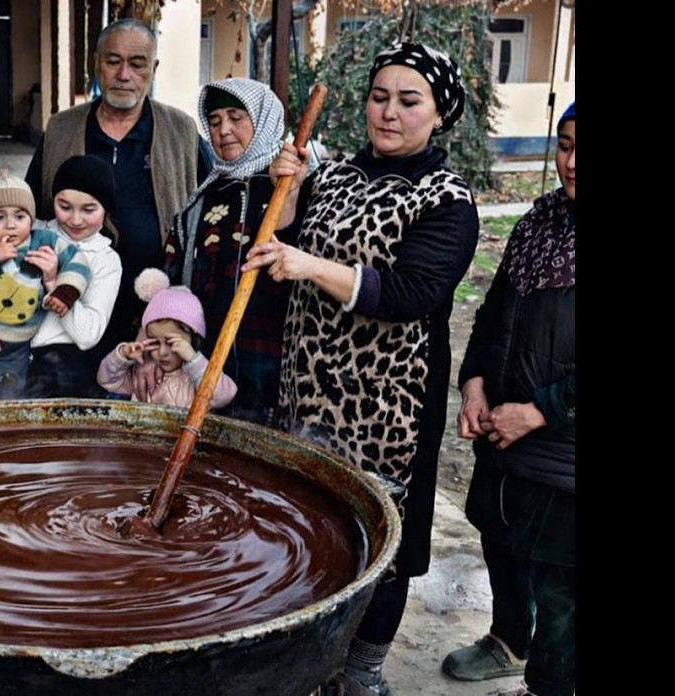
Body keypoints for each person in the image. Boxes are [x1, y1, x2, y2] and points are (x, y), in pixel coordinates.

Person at [243, 42, 479, 696]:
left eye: (409, 102)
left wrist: (310, 268)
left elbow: (412, 295)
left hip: (387, 404)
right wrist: (284, 190)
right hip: (309, 384)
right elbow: (282, 242)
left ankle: (364, 671)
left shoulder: (447, 199)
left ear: (439, 114)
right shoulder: (340, 172)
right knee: (309, 520)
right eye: (380, 97)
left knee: (380, 539)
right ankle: (308, 657)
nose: (389, 113)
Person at [440, 102, 575, 696]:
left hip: (563, 450)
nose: (573, 162)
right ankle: (509, 641)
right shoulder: (539, 221)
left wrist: (541, 411)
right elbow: (496, 313)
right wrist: (474, 385)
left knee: (561, 585)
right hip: (505, 432)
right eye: (566, 145)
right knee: (500, 539)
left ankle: (550, 684)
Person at [26, 18, 212, 362]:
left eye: (137, 64)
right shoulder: (62, 129)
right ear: (96, 63)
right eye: (113, 61)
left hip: (152, 316)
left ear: (152, 68)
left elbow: (216, 199)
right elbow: (29, 210)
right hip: (69, 310)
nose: (124, 74)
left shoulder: (180, 131)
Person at [162, 77, 290, 424]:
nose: (224, 130)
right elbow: (173, 284)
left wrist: (291, 192)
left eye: (236, 117)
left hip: (279, 370)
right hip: (208, 372)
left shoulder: (291, 187)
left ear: (262, 120)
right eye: (215, 121)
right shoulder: (200, 203)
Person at [0, 170, 91, 402]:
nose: (10, 225)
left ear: (31, 220)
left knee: (9, 400)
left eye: (19, 216)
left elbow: (77, 262)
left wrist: (65, 291)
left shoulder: (44, 241)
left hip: (18, 348)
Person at [27, 155, 123, 398]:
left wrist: (53, 283)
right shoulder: (33, 233)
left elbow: (88, 335)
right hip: (13, 359)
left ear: (106, 208)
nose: (76, 219)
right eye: (65, 207)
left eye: (89, 210)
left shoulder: (105, 260)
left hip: (66, 372)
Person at [97, 268, 236, 408]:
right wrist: (122, 355)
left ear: (194, 341)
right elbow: (107, 380)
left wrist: (193, 359)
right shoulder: (144, 377)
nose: (162, 352)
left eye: (172, 343)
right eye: (155, 342)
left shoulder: (195, 380)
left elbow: (223, 396)